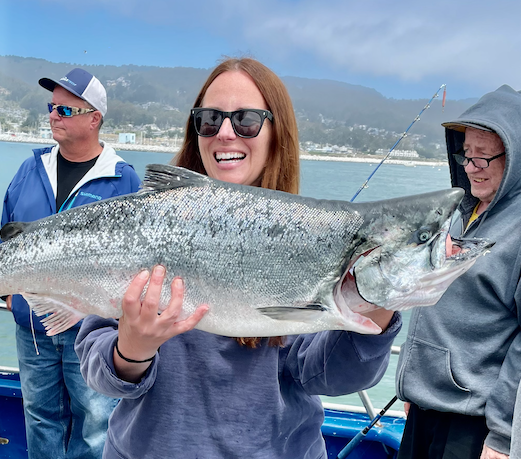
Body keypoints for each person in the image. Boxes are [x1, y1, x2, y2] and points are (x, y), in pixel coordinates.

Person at [75, 57, 402, 459]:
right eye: (210, 119)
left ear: (275, 132)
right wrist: (131, 351)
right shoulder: (144, 227)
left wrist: (378, 300)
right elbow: (99, 373)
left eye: (245, 120)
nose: (225, 133)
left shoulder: (308, 236)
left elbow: (329, 376)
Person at [1, 68, 140, 459]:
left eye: (64, 108)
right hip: (32, 327)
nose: (53, 116)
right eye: (51, 108)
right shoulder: (30, 169)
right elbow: (7, 232)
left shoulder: (122, 181)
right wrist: (12, 294)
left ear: (94, 118)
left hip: (92, 329)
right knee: (40, 416)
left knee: (96, 423)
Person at [396, 85, 521, 459]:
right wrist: (414, 384)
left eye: (483, 157)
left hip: (472, 427)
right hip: (424, 408)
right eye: (466, 155)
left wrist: (501, 435)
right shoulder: (457, 215)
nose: (470, 168)